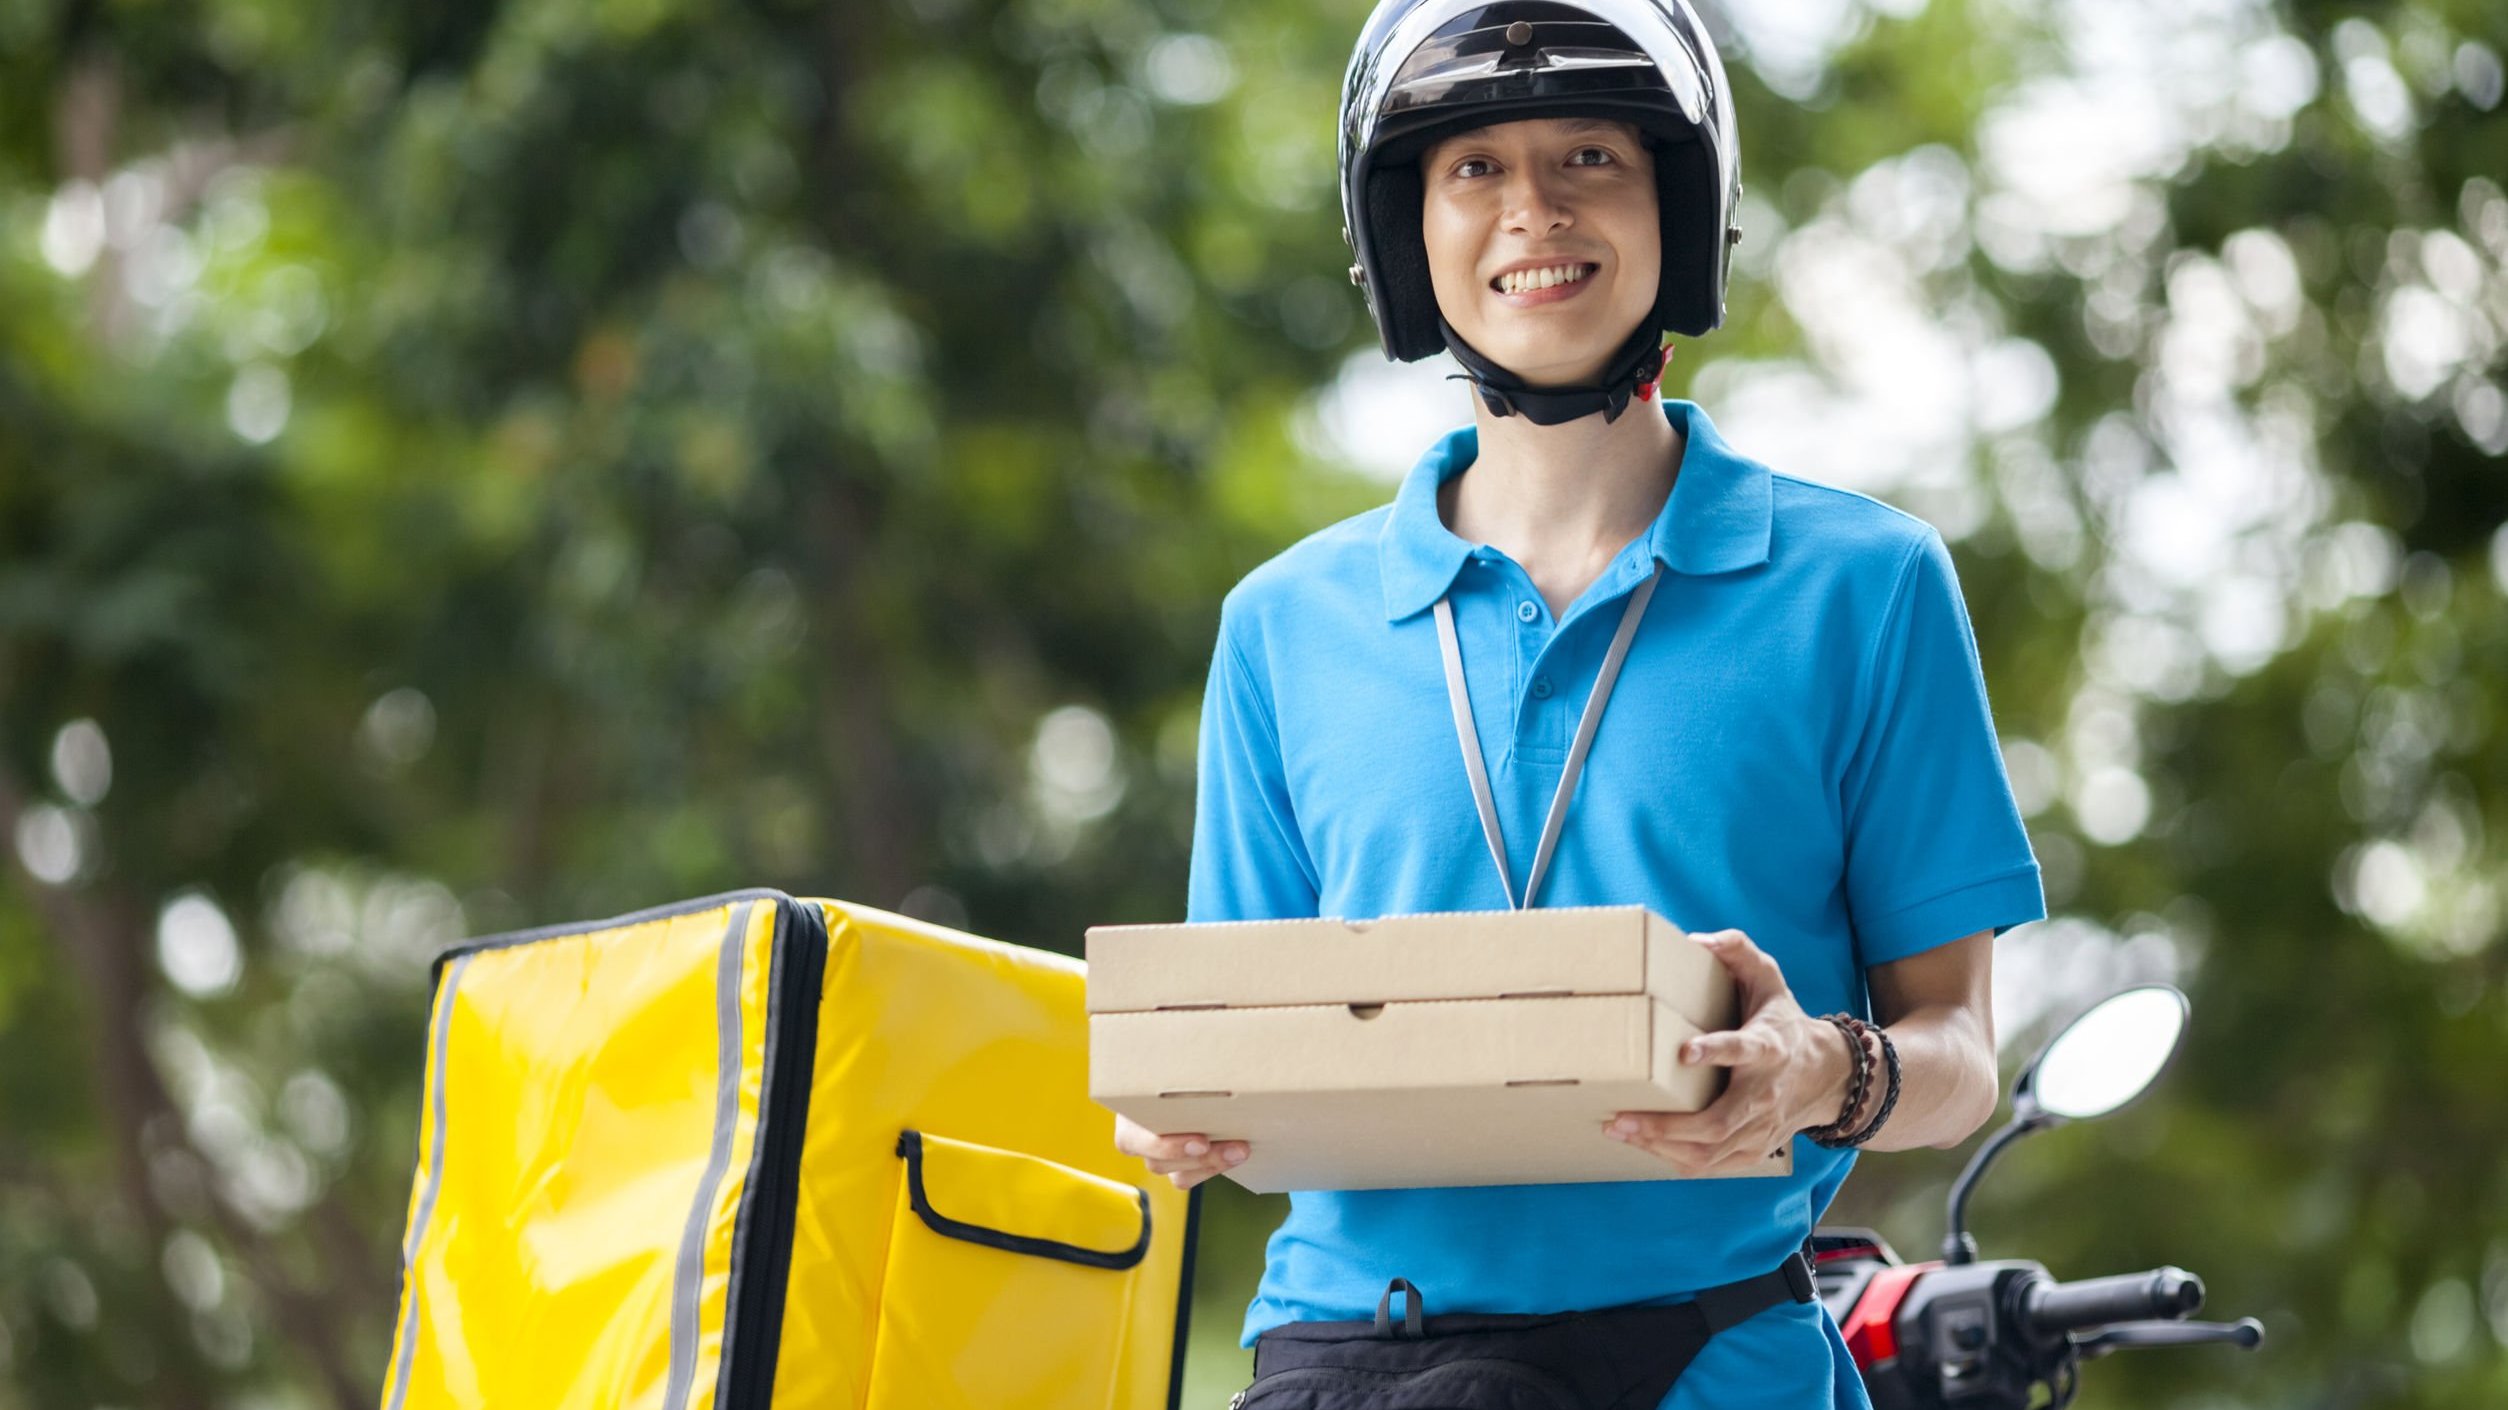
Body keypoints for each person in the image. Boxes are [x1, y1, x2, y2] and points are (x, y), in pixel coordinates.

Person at [1115, 1, 2044, 1405]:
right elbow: (1239, 1051)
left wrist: (1824, 1071)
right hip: (1339, 1360)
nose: (1532, 210)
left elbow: (1962, 1055)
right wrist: (1184, 1113)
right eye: (1473, 168)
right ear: (1405, 234)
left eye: (1591, 155)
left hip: (1709, 1353)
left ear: (1680, 202)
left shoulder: (1865, 585)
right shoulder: (1282, 627)